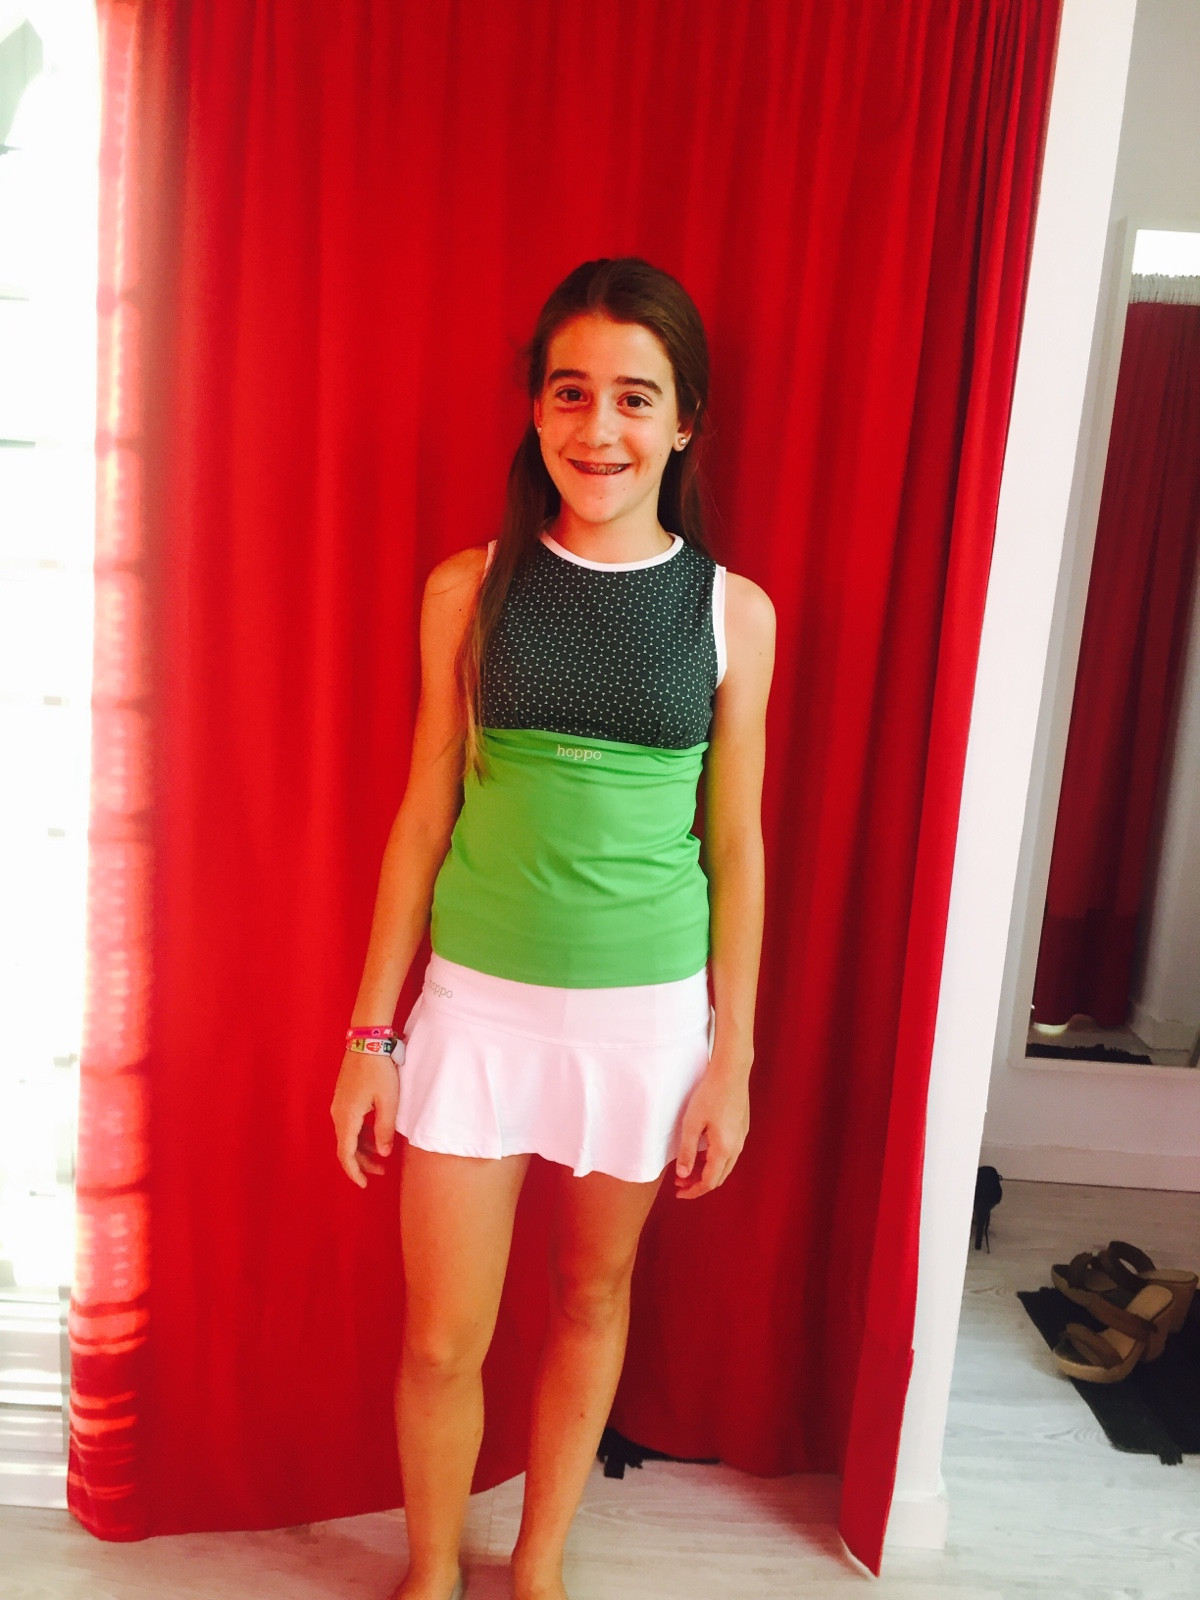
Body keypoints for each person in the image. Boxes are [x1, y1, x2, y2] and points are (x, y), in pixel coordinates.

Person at [330, 257, 775, 1600]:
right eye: (572, 392)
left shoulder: (732, 612)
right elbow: (422, 816)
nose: (601, 428)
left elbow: (738, 844)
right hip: (476, 1013)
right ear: (535, 410)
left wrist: (733, 1058)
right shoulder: (466, 591)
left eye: (636, 397)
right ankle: (430, 1574)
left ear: (684, 423)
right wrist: (369, 1036)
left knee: (592, 1298)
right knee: (439, 1339)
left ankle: (538, 1569)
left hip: (646, 1026)